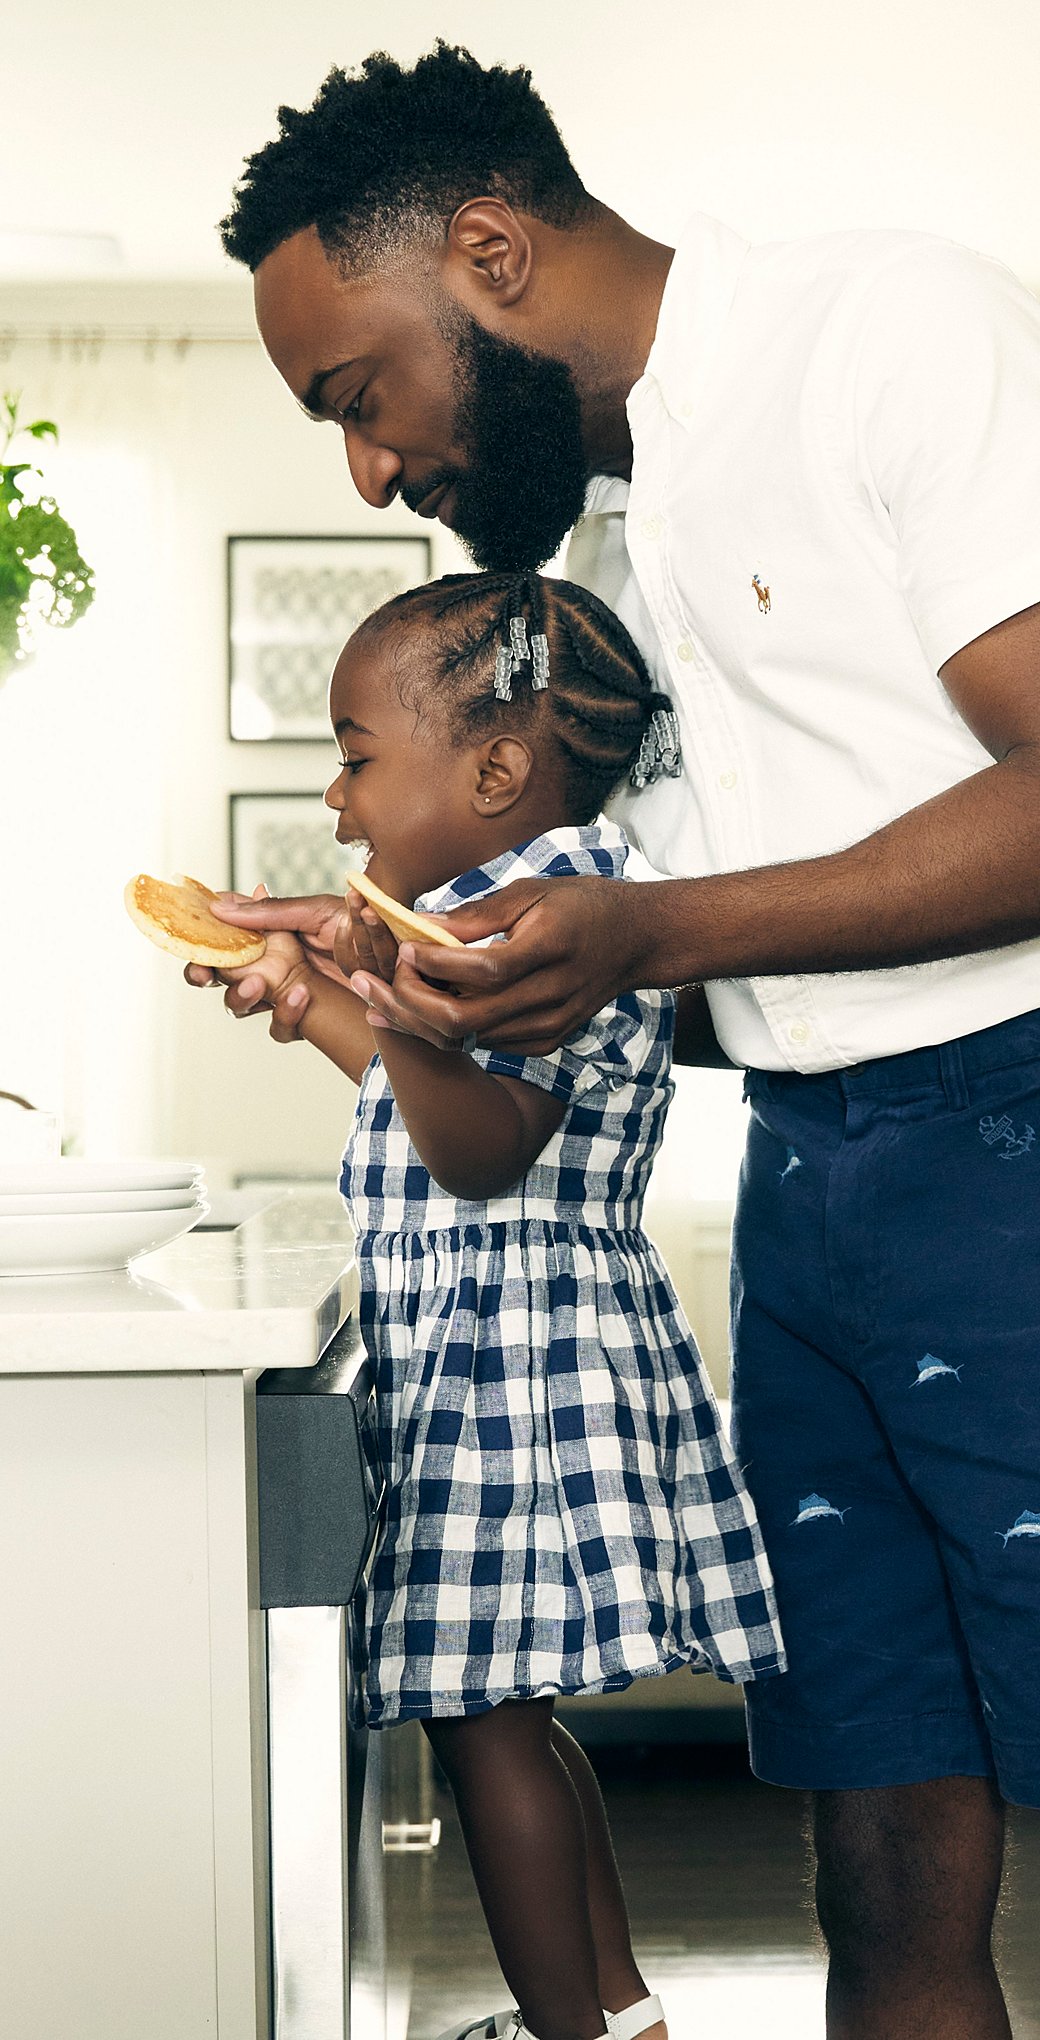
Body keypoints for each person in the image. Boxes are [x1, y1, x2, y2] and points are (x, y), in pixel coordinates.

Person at [209, 44, 1040, 2039]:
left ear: (489, 251)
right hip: (824, 1183)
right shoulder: (629, 552)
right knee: (881, 1869)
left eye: (357, 395)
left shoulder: (889, 329)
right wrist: (427, 978)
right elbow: (751, 986)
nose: (369, 469)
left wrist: (635, 930)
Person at [212, 567, 786, 2040]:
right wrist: (321, 999)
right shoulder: (513, 906)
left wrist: (391, 996)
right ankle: (617, 2015)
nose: (338, 804)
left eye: (353, 755)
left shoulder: (534, 922)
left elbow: (478, 1150)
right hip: (522, 1339)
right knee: (503, 1712)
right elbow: (439, 1104)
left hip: (508, 1361)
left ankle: (573, 2032)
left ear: (493, 769)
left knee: (484, 1728)